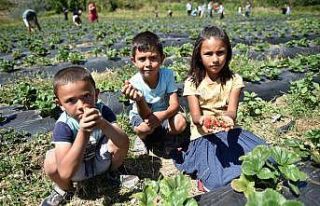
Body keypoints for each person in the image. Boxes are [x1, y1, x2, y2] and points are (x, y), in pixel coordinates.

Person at [172, 26, 265, 192]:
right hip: (204, 136)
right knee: (218, 181)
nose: (215, 59)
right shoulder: (192, 83)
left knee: (266, 157)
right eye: (208, 54)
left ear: (228, 53)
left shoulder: (234, 80)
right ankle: (205, 174)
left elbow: (231, 111)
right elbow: (195, 117)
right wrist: (204, 121)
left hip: (230, 132)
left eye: (220, 52)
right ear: (199, 56)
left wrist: (227, 118)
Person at [41, 66, 129, 205]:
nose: (81, 105)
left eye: (86, 96)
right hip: (77, 171)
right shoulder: (63, 125)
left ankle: (113, 173)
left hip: (102, 162)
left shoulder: (102, 111)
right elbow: (65, 172)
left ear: (96, 94)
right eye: (71, 100)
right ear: (60, 104)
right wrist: (83, 132)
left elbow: (124, 143)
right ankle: (66, 189)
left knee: (115, 138)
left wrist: (103, 124)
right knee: (51, 160)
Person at [121, 31, 187, 156]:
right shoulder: (134, 83)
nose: (148, 64)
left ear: (162, 59)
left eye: (153, 58)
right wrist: (139, 99)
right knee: (143, 129)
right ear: (134, 61)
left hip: (163, 114)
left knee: (180, 122)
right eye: (142, 59)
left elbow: (174, 105)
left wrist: (163, 115)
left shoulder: (167, 75)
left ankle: (167, 138)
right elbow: (145, 115)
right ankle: (142, 139)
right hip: (143, 117)